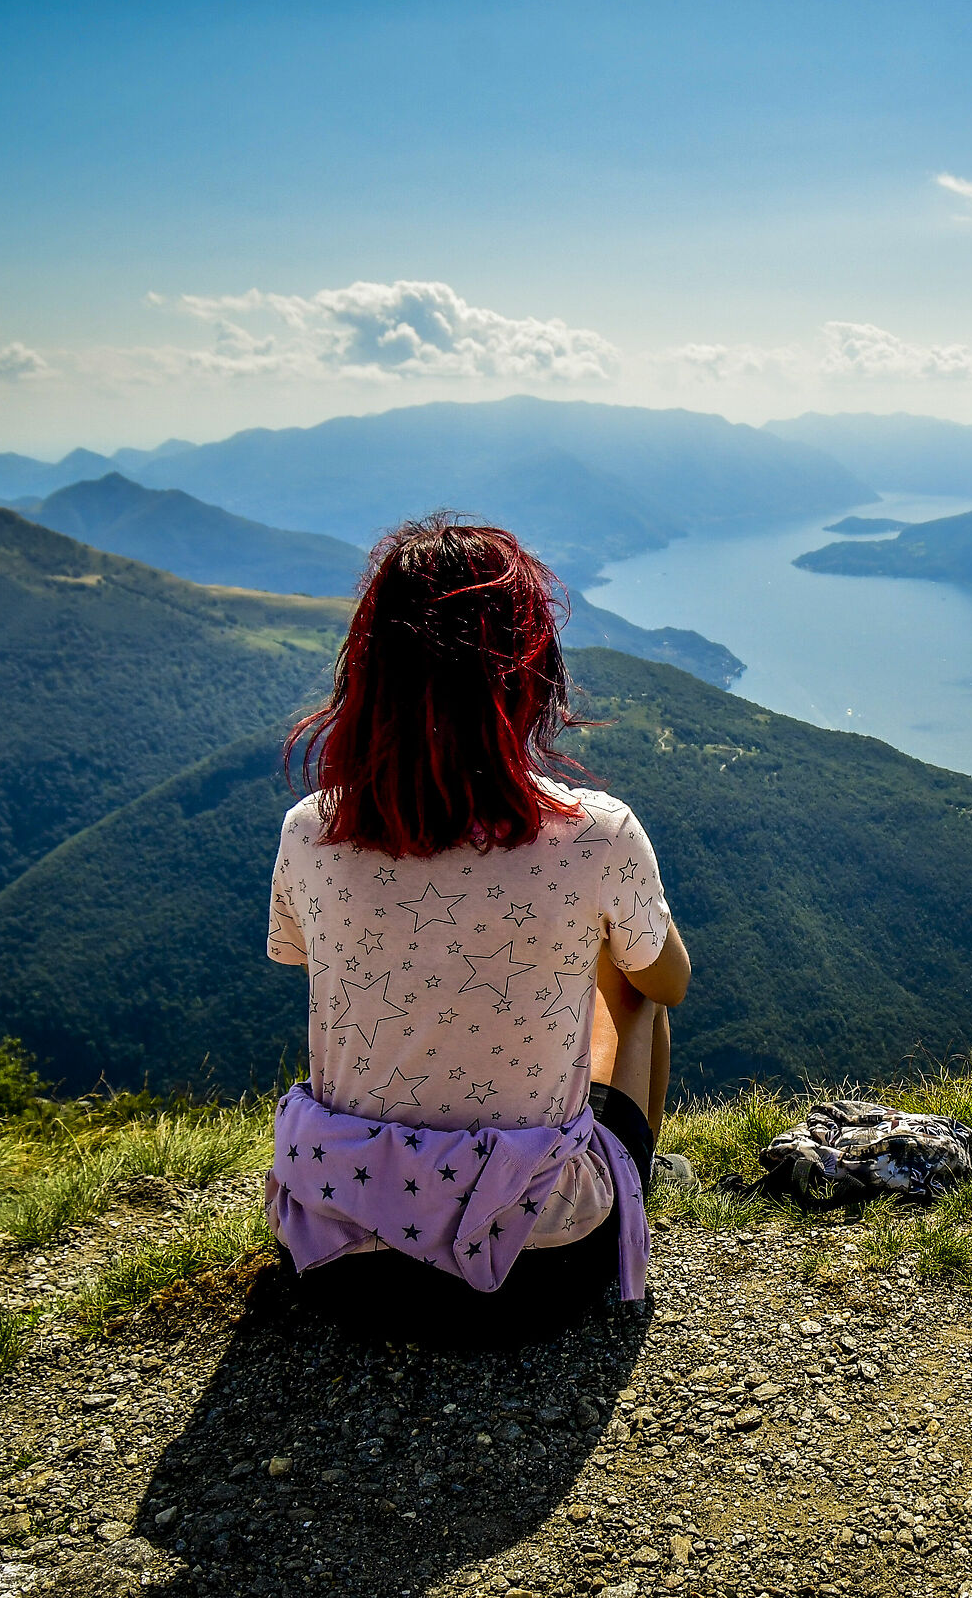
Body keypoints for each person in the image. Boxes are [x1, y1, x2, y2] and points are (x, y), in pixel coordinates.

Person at [261, 512, 691, 1343]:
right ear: (528, 671)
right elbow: (665, 983)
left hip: (334, 1261)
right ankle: (629, 1196)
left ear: (371, 672)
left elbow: (309, 960)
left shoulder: (310, 829)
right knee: (635, 989)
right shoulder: (593, 831)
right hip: (534, 1275)